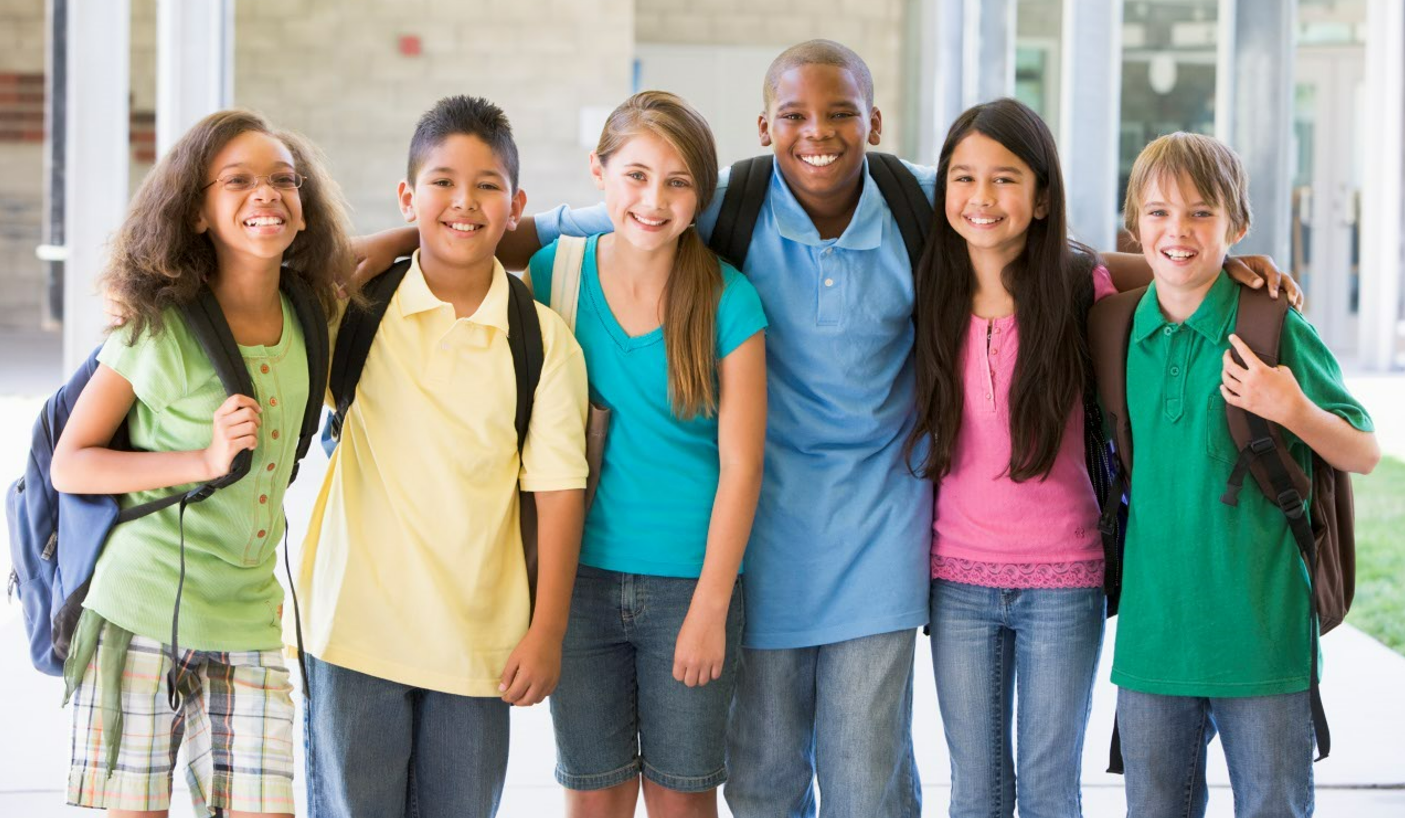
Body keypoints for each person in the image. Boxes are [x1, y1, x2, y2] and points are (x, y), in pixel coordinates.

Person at [354, 41, 1298, 818]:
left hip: (882, 533)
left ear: (873, 123)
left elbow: (1043, 237)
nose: (818, 134)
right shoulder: (723, 199)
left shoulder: (917, 196)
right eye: (795, 117)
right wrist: (377, 245)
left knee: (864, 777)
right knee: (761, 775)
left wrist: (1221, 265)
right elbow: (521, 227)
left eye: (841, 114)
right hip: (758, 538)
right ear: (765, 128)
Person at [50, 109, 352, 817]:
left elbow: (374, 259)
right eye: (238, 181)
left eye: (284, 181)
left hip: (248, 619)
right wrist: (203, 457)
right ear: (197, 213)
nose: (266, 195)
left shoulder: (314, 316)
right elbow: (72, 463)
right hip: (139, 611)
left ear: (304, 210)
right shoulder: (160, 328)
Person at [292, 95, 588, 818]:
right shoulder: (357, 310)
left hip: (476, 646)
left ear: (515, 204)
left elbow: (558, 495)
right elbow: (278, 292)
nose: (464, 202)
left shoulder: (542, 340)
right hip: (353, 633)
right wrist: (391, 245)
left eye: (487, 185)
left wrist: (546, 631)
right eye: (442, 183)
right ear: (407, 195)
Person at [1110, 131, 1379, 818]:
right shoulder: (1111, 328)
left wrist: (1290, 408)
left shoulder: (1270, 324)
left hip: (1259, 639)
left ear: (1237, 224)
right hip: (1152, 642)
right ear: (1132, 219)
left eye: (1201, 213)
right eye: (1158, 212)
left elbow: (1362, 451)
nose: (1177, 231)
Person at [527, 90, 767, 818]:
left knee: (681, 797)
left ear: (701, 196)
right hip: (578, 583)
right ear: (598, 174)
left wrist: (710, 606)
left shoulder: (729, 299)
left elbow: (742, 466)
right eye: (635, 175)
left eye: (677, 181)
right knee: (592, 794)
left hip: (688, 588)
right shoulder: (552, 277)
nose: (653, 200)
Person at [908, 97, 1113, 817]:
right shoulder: (927, 290)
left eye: (1004, 179)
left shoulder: (1082, 289)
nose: (980, 198)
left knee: (1050, 787)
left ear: (1041, 196)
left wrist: (1243, 263)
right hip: (955, 579)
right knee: (976, 788)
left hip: (1064, 577)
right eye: (962, 179)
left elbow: (1178, 272)